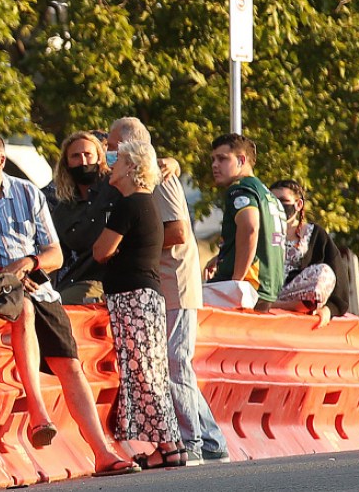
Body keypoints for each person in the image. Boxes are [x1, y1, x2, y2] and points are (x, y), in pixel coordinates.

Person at [0, 132, 135, 475]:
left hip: (36, 285)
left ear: (1, 161)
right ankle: (38, 413)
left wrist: (29, 263)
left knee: (71, 364)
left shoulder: (28, 193)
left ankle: (102, 452)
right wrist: (0, 274)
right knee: (25, 309)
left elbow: (55, 254)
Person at [117, 116, 232, 465]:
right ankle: (211, 438)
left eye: (112, 145)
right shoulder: (151, 174)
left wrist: (137, 243)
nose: (109, 152)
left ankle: (191, 440)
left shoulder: (159, 177)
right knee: (175, 364)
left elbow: (178, 231)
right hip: (167, 283)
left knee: (175, 362)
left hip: (176, 282)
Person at [92, 141, 185, 466]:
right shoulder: (147, 204)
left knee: (143, 371)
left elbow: (101, 251)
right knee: (152, 371)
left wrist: (111, 253)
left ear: (131, 167)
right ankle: (169, 445)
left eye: (117, 161)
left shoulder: (129, 205)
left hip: (132, 295)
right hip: (147, 294)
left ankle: (168, 446)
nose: (110, 165)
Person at [204, 133, 285, 311]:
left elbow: (250, 228)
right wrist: (222, 257)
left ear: (241, 160)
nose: (214, 165)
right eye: (213, 159)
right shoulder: (268, 194)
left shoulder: (240, 189)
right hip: (267, 289)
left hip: (247, 289)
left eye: (222, 159)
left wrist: (236, 280)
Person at [46, 131, 120, 304]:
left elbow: (146, 169)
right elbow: (56, 255)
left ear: (99, 157)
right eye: (76, 156)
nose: (83, 161)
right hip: (76, 280)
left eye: (88, 155)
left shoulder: (115, 189)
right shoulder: (62, 208)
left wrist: (171, 163)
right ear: (66, 163)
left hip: (112, 280)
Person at [269, 179, 348, 328]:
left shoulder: (315, 234)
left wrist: (329, 309)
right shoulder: (263, 231)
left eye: (283, 201)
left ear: (298, 205)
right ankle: (272, 303)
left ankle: (287, 305)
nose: (278, 206)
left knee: (323, 272)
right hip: (267, 291)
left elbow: (337, 272)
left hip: (299, 295)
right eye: (274, 201)